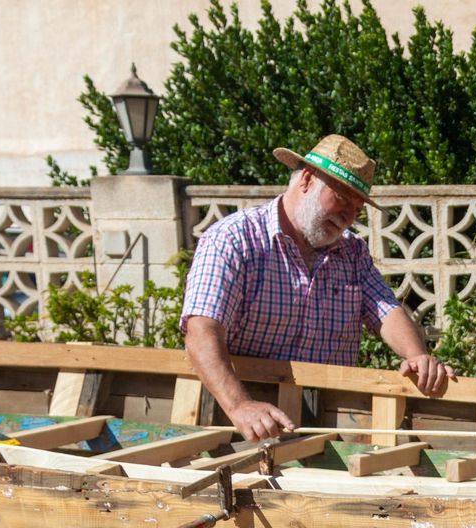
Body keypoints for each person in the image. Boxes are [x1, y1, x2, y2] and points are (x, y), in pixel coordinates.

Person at [182, 134, 454, 440]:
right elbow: (202, 330)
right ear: (307, 180)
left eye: (357, 209)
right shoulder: (233, 239)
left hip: (325, 420)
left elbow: (386, 311)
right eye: (341, 199)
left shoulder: (352, 252)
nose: (348, 217)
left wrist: (418, 356)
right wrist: (240, 406)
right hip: (238, 420)